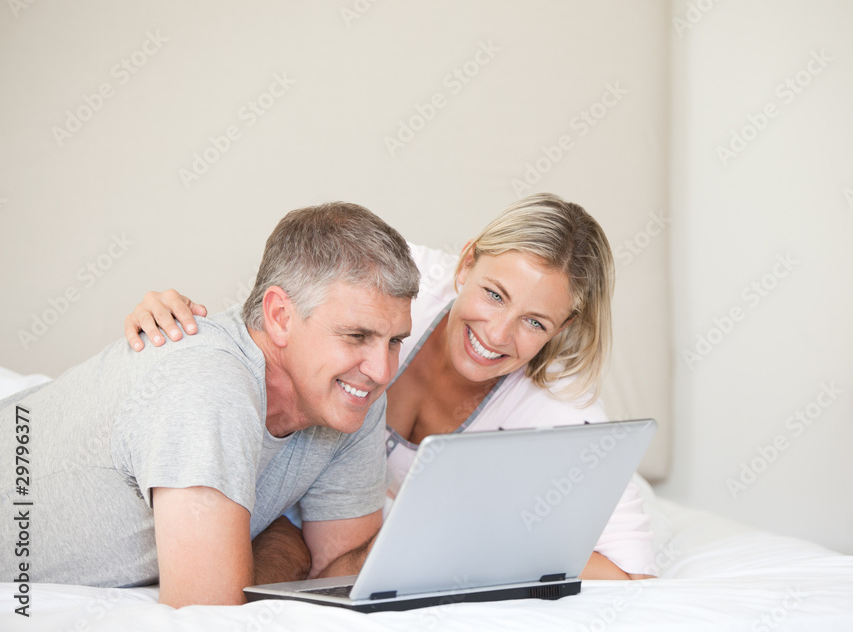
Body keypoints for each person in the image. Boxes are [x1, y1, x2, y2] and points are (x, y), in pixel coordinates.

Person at [128, 193, 656, 580]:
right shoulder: (396, 282)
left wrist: (487, 531)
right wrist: (181, 327)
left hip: (338, 530)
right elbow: (273, 332)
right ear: (466, 263)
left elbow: (633, 576)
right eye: (494, 294)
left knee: (290, 564)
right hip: (282, 494)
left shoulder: (564, 408)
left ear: (561, 330)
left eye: (535, 323)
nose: (497, 335)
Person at [0, 202, 419, 607]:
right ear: (279, 316)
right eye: (356, 336)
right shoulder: (208, 380)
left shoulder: (351, 395)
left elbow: (336, 579)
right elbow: (208, 613)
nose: (383, 371)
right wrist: (284, 544)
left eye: (395, 340)